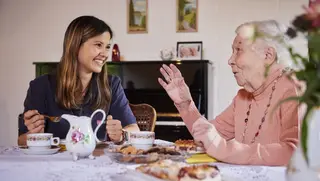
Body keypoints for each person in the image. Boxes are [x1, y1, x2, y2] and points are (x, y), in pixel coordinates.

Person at [158, 20, 300, 166]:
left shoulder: (296, 88)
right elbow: (209, 137)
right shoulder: (243, 97)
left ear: (268, 55)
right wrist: (185, 104)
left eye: (238, 50)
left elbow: (295, 153)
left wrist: (223, 149)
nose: (230, 60)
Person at [18, 16, 140, 146]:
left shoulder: (111, 84)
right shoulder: (40, 86)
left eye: (107, 47)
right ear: (76, 46)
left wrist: (122, 134)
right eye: (98, 45)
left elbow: (134, 130)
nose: (105, 54)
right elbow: (21, 141)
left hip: (96, 163)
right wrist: (34, 134)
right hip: (54, 164)